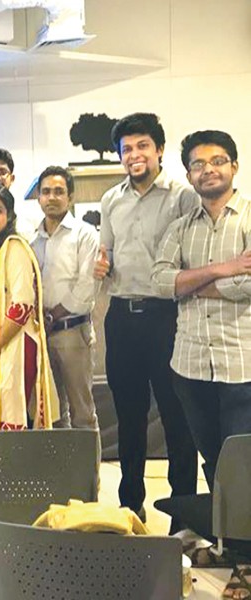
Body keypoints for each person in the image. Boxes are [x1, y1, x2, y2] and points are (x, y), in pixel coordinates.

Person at [94, 112, 199, 522]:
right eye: (126, 149)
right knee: (129, 418)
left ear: (159, 150)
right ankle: (129, 506)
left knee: (177, 416)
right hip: (122, 318)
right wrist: (101, 267)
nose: (134, 155)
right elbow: (108, 254)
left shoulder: (182, 196)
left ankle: (184, 513)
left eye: (142, 146)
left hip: (168, 318)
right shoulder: (111, 200)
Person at [152, 130, 251, 486]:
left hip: (242, 365)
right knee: (212, 459)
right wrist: (221, 268)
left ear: (234, 166)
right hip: (191, 365)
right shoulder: (180, 228)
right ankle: (223, 537)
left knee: (243, 463)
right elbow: (161, 282)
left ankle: (243, 540)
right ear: (189, 174)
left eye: (217, 161)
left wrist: (191, 286)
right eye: (198, 164)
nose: (208, 169)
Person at [0, 185, 58, 431]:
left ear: (9, 216)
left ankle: (18, 470)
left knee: (13, 417)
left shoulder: (15, 248)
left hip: (15, 346)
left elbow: (22, 306)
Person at [31, 166, 100, 432]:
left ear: (70, 197)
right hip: (41, 335)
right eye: (46, 191)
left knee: (82, 413)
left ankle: (87, 475)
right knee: (53, 413)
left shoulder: (85, 234)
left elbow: (87, 286)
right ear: (38, 197)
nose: (52, 197)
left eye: (59, 191)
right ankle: (62, 474)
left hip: (73, 332)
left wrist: (52, 314)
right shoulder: (32, 238)